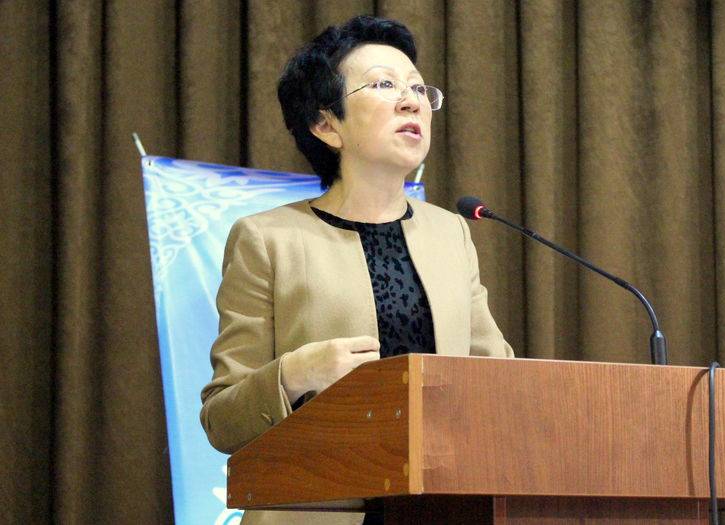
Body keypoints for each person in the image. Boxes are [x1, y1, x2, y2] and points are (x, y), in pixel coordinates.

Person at [200, 15, 514, 525]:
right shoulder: (267, 239)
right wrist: (295, 374)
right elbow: (222, 420)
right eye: (384, 85)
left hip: (444, 508)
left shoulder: (451, 234)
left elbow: (497, 380)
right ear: (326, 124)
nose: (412, 101)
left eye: (418, 88)